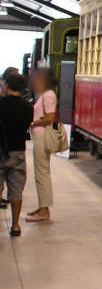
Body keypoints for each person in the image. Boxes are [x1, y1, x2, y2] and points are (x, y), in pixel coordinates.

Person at [0, 72, 34, 236]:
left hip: (1, 151)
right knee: (16, 190)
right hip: (18, 151)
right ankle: (15, 225)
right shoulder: (28, 107)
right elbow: (27, 125)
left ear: (6, 86)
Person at [26, 69, 57, 223]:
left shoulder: (48, 95)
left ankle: (44, 210)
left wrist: (32, 123)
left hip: (42, 136)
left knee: (42, 173)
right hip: (38, 135)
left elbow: (49, 118)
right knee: (41, 172)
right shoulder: (44, 94)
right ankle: (42, 206)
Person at [0, 66, 21, 209]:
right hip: (12, 146)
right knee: (16, 184)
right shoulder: (25, 106)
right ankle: (15, 225)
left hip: (6, 144)